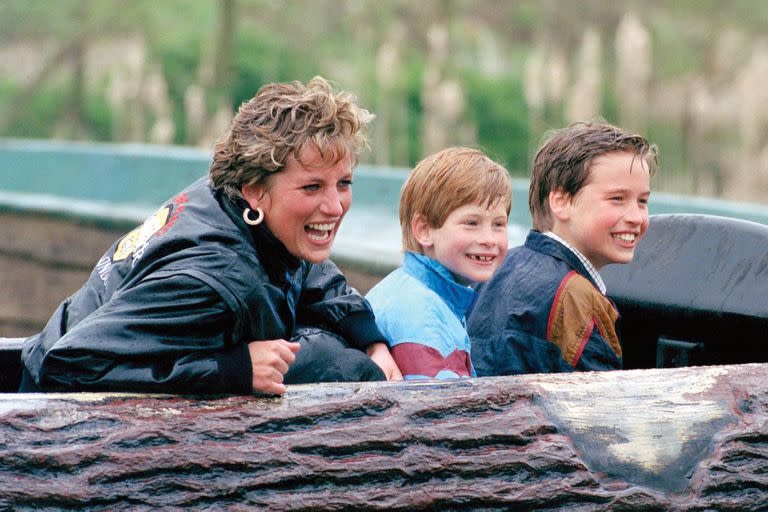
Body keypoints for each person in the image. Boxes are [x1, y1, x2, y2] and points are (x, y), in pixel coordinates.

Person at [19, 76, 402, 394]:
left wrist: (371, 338)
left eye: (344, 183)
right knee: (344, 369)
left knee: (340, 354)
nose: (335, 207)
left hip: (69, 352)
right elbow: (68, 365)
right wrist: (233, 369)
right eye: (312, 188)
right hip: (52, 433)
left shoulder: (236, 206)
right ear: (255, 189)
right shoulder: (214, 280)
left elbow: (309, 271)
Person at [467, 120, 658, 376]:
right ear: (561, 202)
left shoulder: (498, 268)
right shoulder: (578, 299)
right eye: (617, 199)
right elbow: (601, 407)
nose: (636, 217)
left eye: (642, 201)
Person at [365, 147, 512, 380]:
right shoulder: (423, 317)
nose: (488, 239)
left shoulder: (416, 290)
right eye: (471, 223)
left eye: (498, 224)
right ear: (424, 230)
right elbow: (440, 412)